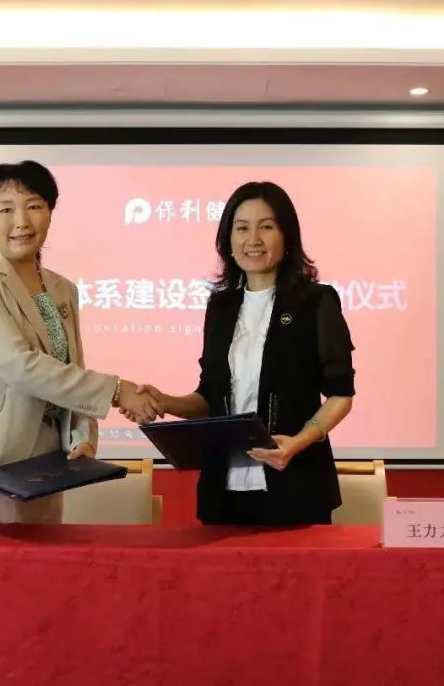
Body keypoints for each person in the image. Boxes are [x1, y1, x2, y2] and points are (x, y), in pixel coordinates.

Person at [0, 161, 159, 523]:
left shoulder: (62, 289)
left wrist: (82, 436)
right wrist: (117, 391)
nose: (22, 221)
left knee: (36, 558)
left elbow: (70, 368)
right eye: (6, 209)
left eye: (34, 206)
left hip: (44, 467)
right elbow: (19, 365)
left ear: (50, 212)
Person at [124, 181, 355, 525]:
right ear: (228, 240)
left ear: (287, 236)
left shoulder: (315, 302)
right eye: (242, 228)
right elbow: (210, 398)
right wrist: (165, 401)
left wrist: (298, 441)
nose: (253, 240)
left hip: (295, 484)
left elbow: (340, 394)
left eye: (266, 227)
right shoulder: (221, 307)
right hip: (223, 491)